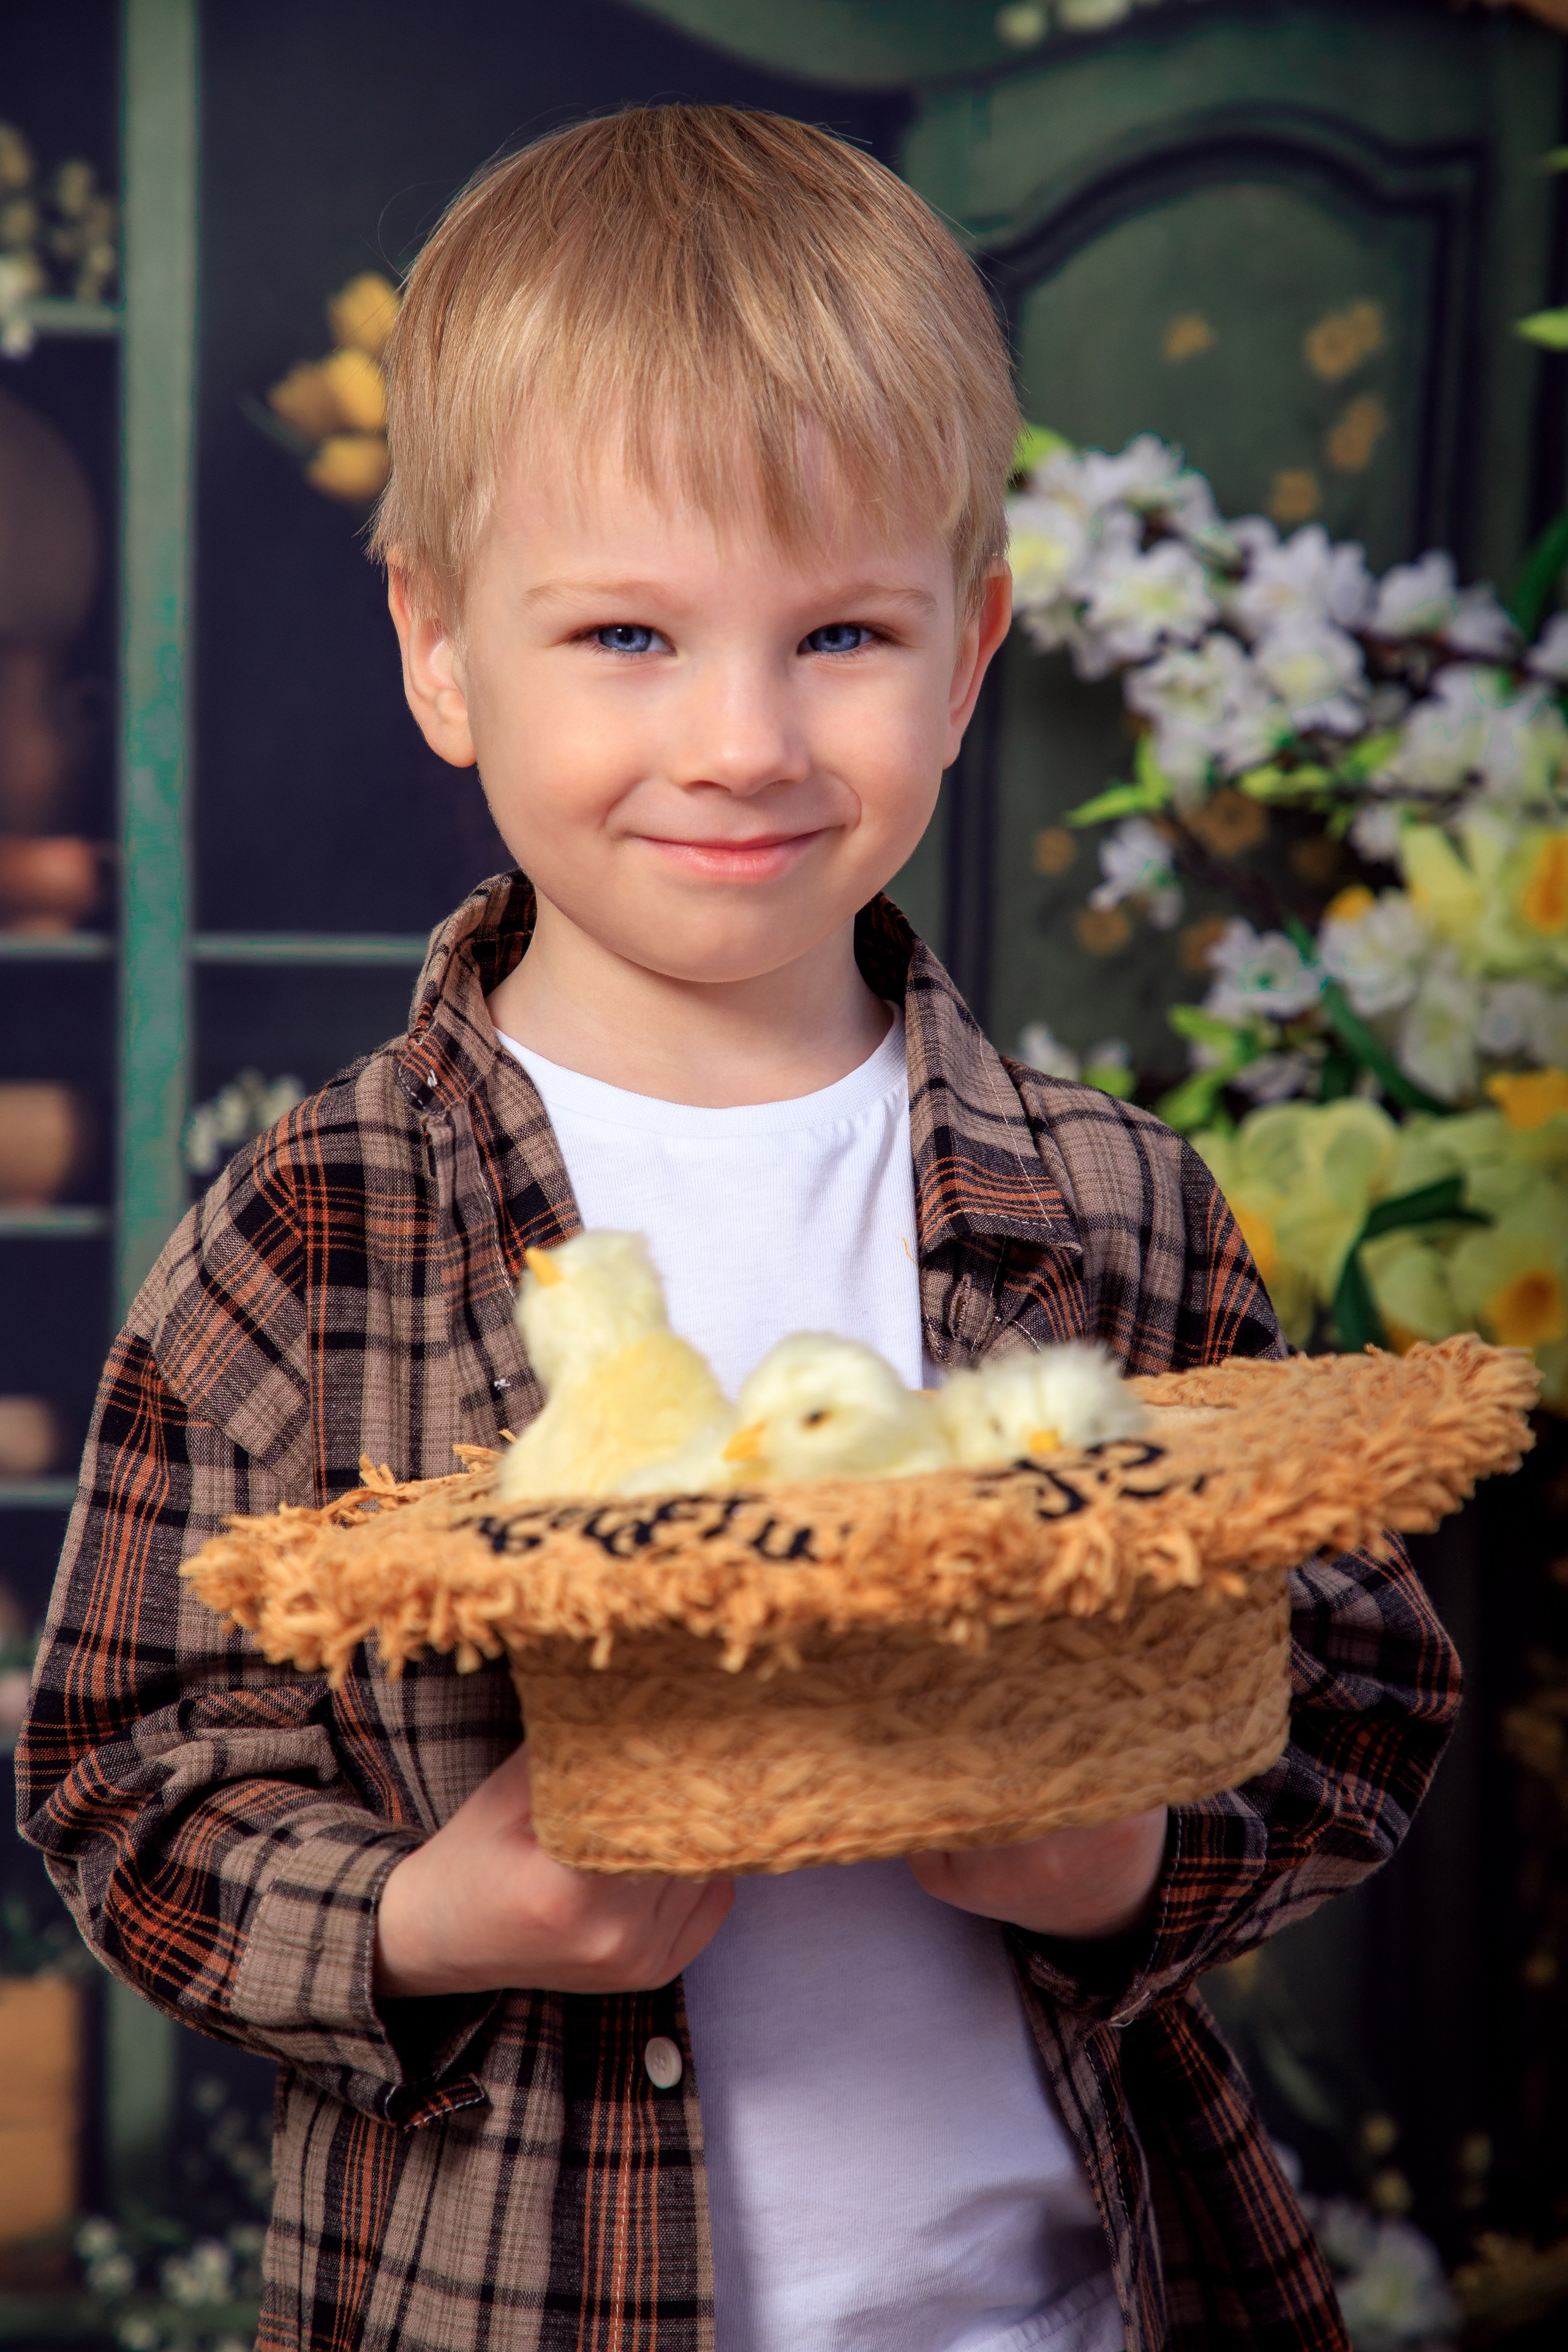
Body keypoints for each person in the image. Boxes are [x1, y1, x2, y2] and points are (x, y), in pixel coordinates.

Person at [18, 106, 1458, 2352]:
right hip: (502, 2300)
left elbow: (1359, 1685)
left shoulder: (1118, 1205)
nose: (742, 738)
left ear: (971, 650)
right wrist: (426, 1911)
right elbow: (121, 1774)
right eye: (622, 631)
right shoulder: (320, 1223)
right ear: (441, 647)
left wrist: (1134, 1857)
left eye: (843, 632)